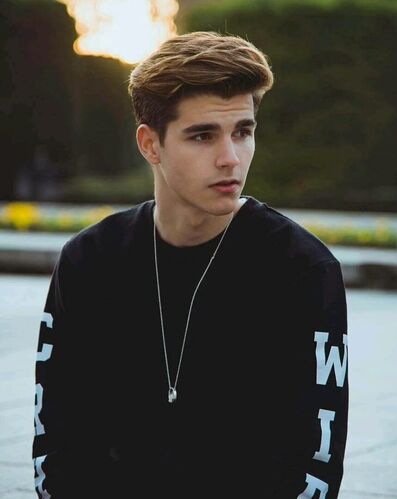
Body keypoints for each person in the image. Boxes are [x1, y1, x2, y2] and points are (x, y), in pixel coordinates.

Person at [33, 31, 348, 498]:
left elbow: (314, 461)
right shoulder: (89, 261)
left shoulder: (302, 269)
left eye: (243, 132)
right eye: (203, 136)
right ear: (150, 144)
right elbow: (57, 439)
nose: (230, 159)